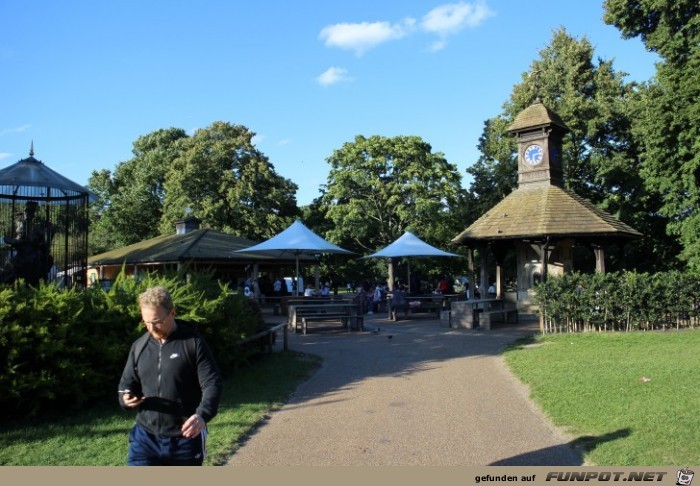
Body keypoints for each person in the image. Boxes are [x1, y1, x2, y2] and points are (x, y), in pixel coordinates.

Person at [118, 286, 223, 466]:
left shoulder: (193, 343)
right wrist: (126, 399)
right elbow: (126, 383)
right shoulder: (139, 346)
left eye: (156, 321)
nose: (151, 328)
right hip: (145, 439)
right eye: (146, 322)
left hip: (185, 437)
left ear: (172, 313)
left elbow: (212, 383)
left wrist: (202, 415)